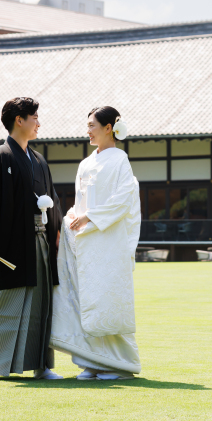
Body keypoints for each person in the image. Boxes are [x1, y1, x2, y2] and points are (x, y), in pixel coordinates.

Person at [0, 97, 64, 382]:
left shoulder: (39, 160)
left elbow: (53, 201)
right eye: (34, 117)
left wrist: (56, 232)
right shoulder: (1, 156)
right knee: (5, 303)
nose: (38, 123)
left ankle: (41, 365)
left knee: (40, 305)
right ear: (18, 120)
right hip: (10, 241)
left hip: (40, 240)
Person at [50, 106, 142, 381]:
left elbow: (124, 200)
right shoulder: (85, 164)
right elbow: (82, 202)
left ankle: (119, 365)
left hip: (108, 241)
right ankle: (92, 360)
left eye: (92, 125)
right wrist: (74, 216)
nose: (87, 130)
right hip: (87, 242)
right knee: (86, 300)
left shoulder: (120, 160)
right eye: (87, 124)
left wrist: (90, 215)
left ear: (108, 127)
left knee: (107, 300)